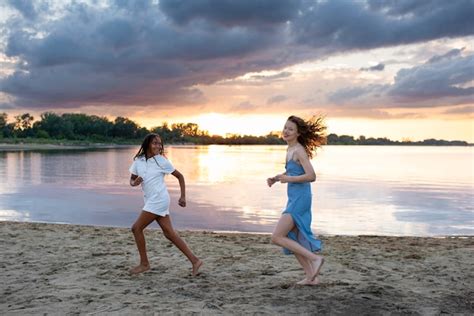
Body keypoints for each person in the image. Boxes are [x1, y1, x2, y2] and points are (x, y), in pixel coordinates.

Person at [128, 133, 202, 276]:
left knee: (136, 228)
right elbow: (131, 180)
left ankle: (144, 264)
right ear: (147, 144)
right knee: (169, 234)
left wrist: (183, 197)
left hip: (159, 199)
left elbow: (180, 176)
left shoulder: (162, 161)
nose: (158, 146)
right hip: (150, 200)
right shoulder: (138, 161)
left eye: (159, 144)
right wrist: (134, 183)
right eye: (155, 143)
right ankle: (195, 261)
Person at [268, 115, 326, 285]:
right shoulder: (289, 149)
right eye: (285, 127)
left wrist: (289, 180)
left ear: (298, 133)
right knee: (293, 238)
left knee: (277, 237)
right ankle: (311, 277)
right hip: (294, 198)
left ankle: (315, 259)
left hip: (300, 199)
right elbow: (293, 173)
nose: (286, 131)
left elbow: (311, 176)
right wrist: (277, 178)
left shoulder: (299, 150)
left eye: (290, 129)